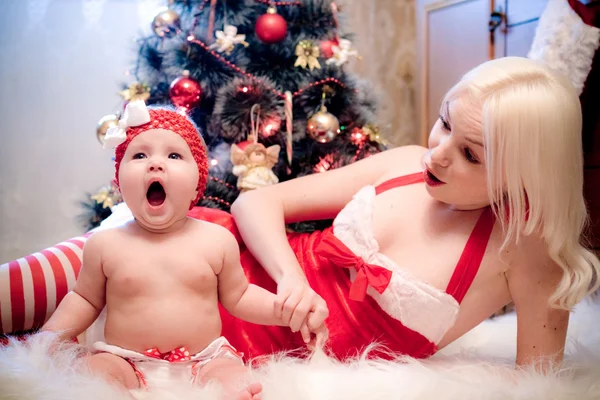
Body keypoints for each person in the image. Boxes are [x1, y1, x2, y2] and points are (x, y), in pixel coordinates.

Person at [218, 56, 600, 369]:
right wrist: (291, 280)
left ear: (522, 176)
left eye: (471, 154)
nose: (437, 153)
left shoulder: (526, 247)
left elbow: (538, 382)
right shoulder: (405, 164)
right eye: (445, 123)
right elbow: (255, 202)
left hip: (279, 364)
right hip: (232, 278)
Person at [40, 102, 294, 399]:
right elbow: (84, 298)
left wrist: (285, 311)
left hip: (204, 361)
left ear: (198, 181)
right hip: (126, 360)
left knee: (232, 376)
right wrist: (49, 337)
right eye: (139, 155)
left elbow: (239, 296)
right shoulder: (105, 244)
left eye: (173, 155)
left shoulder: (215, 240)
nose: (155, 164)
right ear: (119, 182)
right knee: (96, 371)